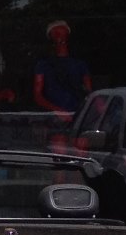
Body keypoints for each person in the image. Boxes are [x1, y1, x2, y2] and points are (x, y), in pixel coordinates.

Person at [32, 20, 92, 151]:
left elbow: (89, 92)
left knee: (81, 151)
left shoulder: (79, 63)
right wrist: (57, 111)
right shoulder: (44, 64)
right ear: (50, 38)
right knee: (60, 150)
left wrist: (86, 112)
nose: (60, 37)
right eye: (56, 34)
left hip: (78, 115)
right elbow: (38, 95)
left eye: (62, 34)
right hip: (56, 118)